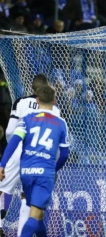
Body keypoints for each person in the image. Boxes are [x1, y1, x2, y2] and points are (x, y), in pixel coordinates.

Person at [0, 85, 69, 237]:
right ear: (55, 101)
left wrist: (2, 164)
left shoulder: (27, 119)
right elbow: (64, 154)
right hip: (44, 174)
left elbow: (13, 141)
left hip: (26, 171)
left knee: (38, 216)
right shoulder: (60, 123)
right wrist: (54, 169)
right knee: (34, 214)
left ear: (37, 100)